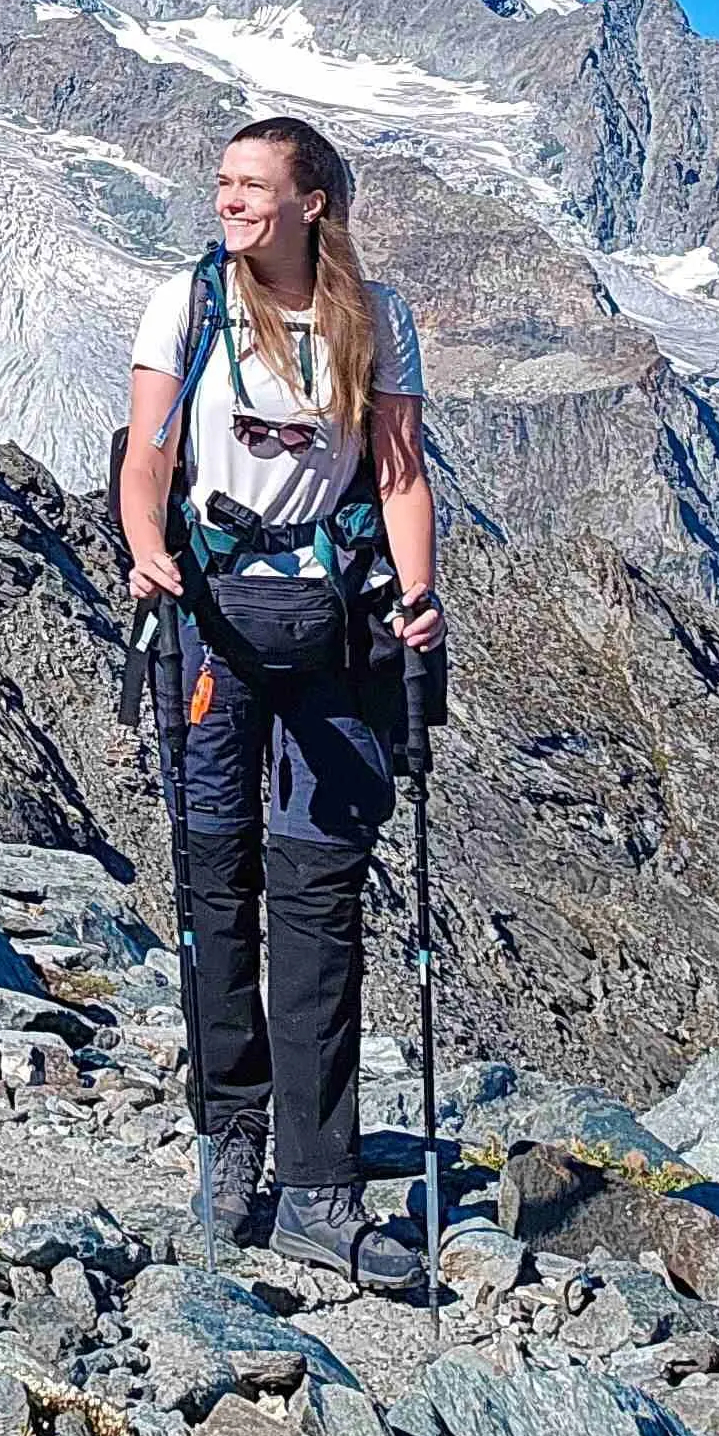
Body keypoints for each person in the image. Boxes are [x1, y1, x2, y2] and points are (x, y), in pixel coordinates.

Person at [118, 114, 444, 1286]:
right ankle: (233, 1138)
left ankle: (319, 1181)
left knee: (319, 895)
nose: (229, 200)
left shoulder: (376, 317)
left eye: (252, 184)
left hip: (337, 625)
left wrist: (420, 594)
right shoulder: (189, 303)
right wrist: (144, 541)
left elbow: (400, 473)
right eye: (222, 182)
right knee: (218, 878)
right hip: (211, 615)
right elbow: (149, 448)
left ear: (313, 202)